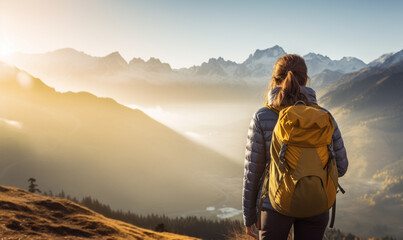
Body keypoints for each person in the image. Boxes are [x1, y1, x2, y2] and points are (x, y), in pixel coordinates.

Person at [242, 54, 348, 240]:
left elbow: (252, 172)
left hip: (274, 205)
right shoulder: (324, 117)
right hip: (316, 203)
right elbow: (341, 167)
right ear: (306, 80)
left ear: (274, 81)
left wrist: (249, 217)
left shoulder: (262, 117)